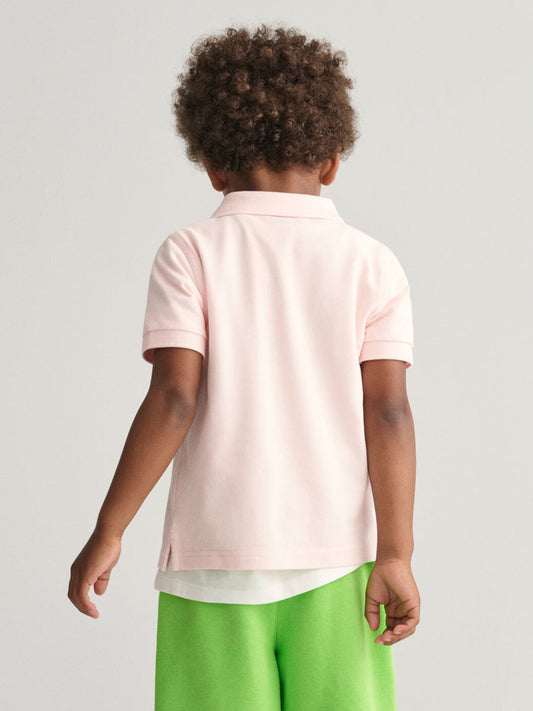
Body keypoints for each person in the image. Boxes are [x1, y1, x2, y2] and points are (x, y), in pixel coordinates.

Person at [68, 22, 420, 711]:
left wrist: (109, 530)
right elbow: (388, 411)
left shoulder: (189, 252)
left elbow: (173, 399)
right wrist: (396, 554)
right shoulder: (372, 264)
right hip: (339, 562)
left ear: (213, 165)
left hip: (212, 564)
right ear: (332, 161)